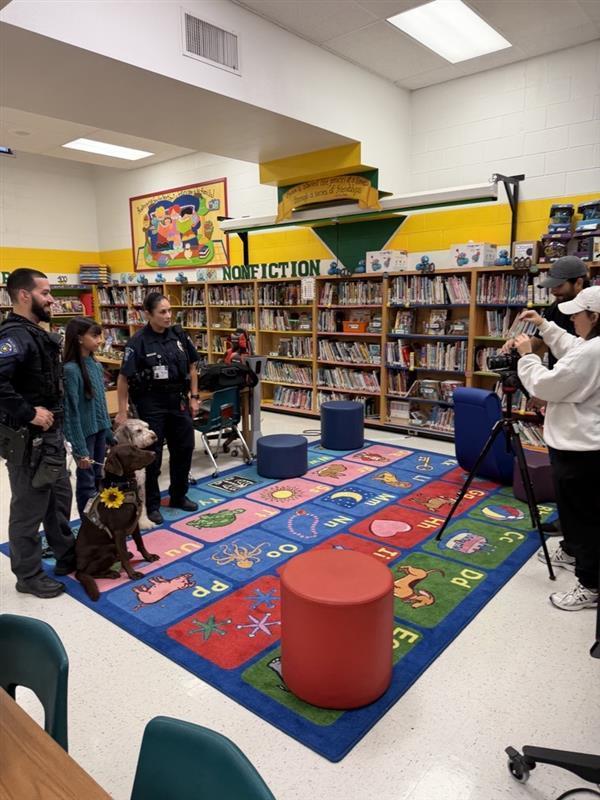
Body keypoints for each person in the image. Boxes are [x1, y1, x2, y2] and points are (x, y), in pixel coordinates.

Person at [514, 285, 600, 611]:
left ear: (594, 316)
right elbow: (572, 347)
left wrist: (528, 356)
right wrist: (543, 325)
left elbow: (545, 385)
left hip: (582, 448)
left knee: (583, 517)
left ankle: (590, 584)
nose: (573, 320)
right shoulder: (590, 345)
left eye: (578, 314)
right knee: (575, 510)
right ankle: (574, 551)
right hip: (577, 443)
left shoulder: (594, 352)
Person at [0, 268, 75, 598]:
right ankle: (28, 575)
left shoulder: (36, 333)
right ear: (24, 295)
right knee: (28, 510)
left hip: (51, 439)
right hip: (29, 442)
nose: (51, 300)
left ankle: (65, 554)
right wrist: (28, 412)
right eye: (45, 293)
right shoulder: (13, 336)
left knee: (57, 500)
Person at [503, 255, 590, 535]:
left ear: (579, 282)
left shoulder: (590, 319)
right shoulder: (558, 309)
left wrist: (539, 381)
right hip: (560, 384)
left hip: (573, 397)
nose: (553, 291)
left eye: (560, 285)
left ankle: (576, 537)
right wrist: (527, 340)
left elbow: (575, 357)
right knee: (565, 474)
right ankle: (568, 520)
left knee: (577, 479)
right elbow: (559, 342)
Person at [116, 292, 200, 525]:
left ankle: (178, 496)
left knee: (184, 447)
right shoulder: (138, 342)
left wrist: (194, 397)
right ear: (148, 314)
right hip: (151, 402)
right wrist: (122, 412)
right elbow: (123, 379)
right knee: (152, 455)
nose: (168, 315)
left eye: (169, 310)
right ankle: (152, 505)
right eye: (162, 311)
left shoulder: (179, 335)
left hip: (178, 399)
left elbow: (193, 367)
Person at [63, 317, 114, 519]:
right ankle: (88, 525)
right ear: (79, 339)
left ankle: (99, 519)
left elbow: (99, 403)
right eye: (94, 335)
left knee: (98, 479)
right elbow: (71, 413)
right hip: (84, 437)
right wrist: (79, 449)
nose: (100, 340)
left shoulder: (95, 364)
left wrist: (108, 430)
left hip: (100, 432)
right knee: (86, 483)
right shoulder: (70, 370)